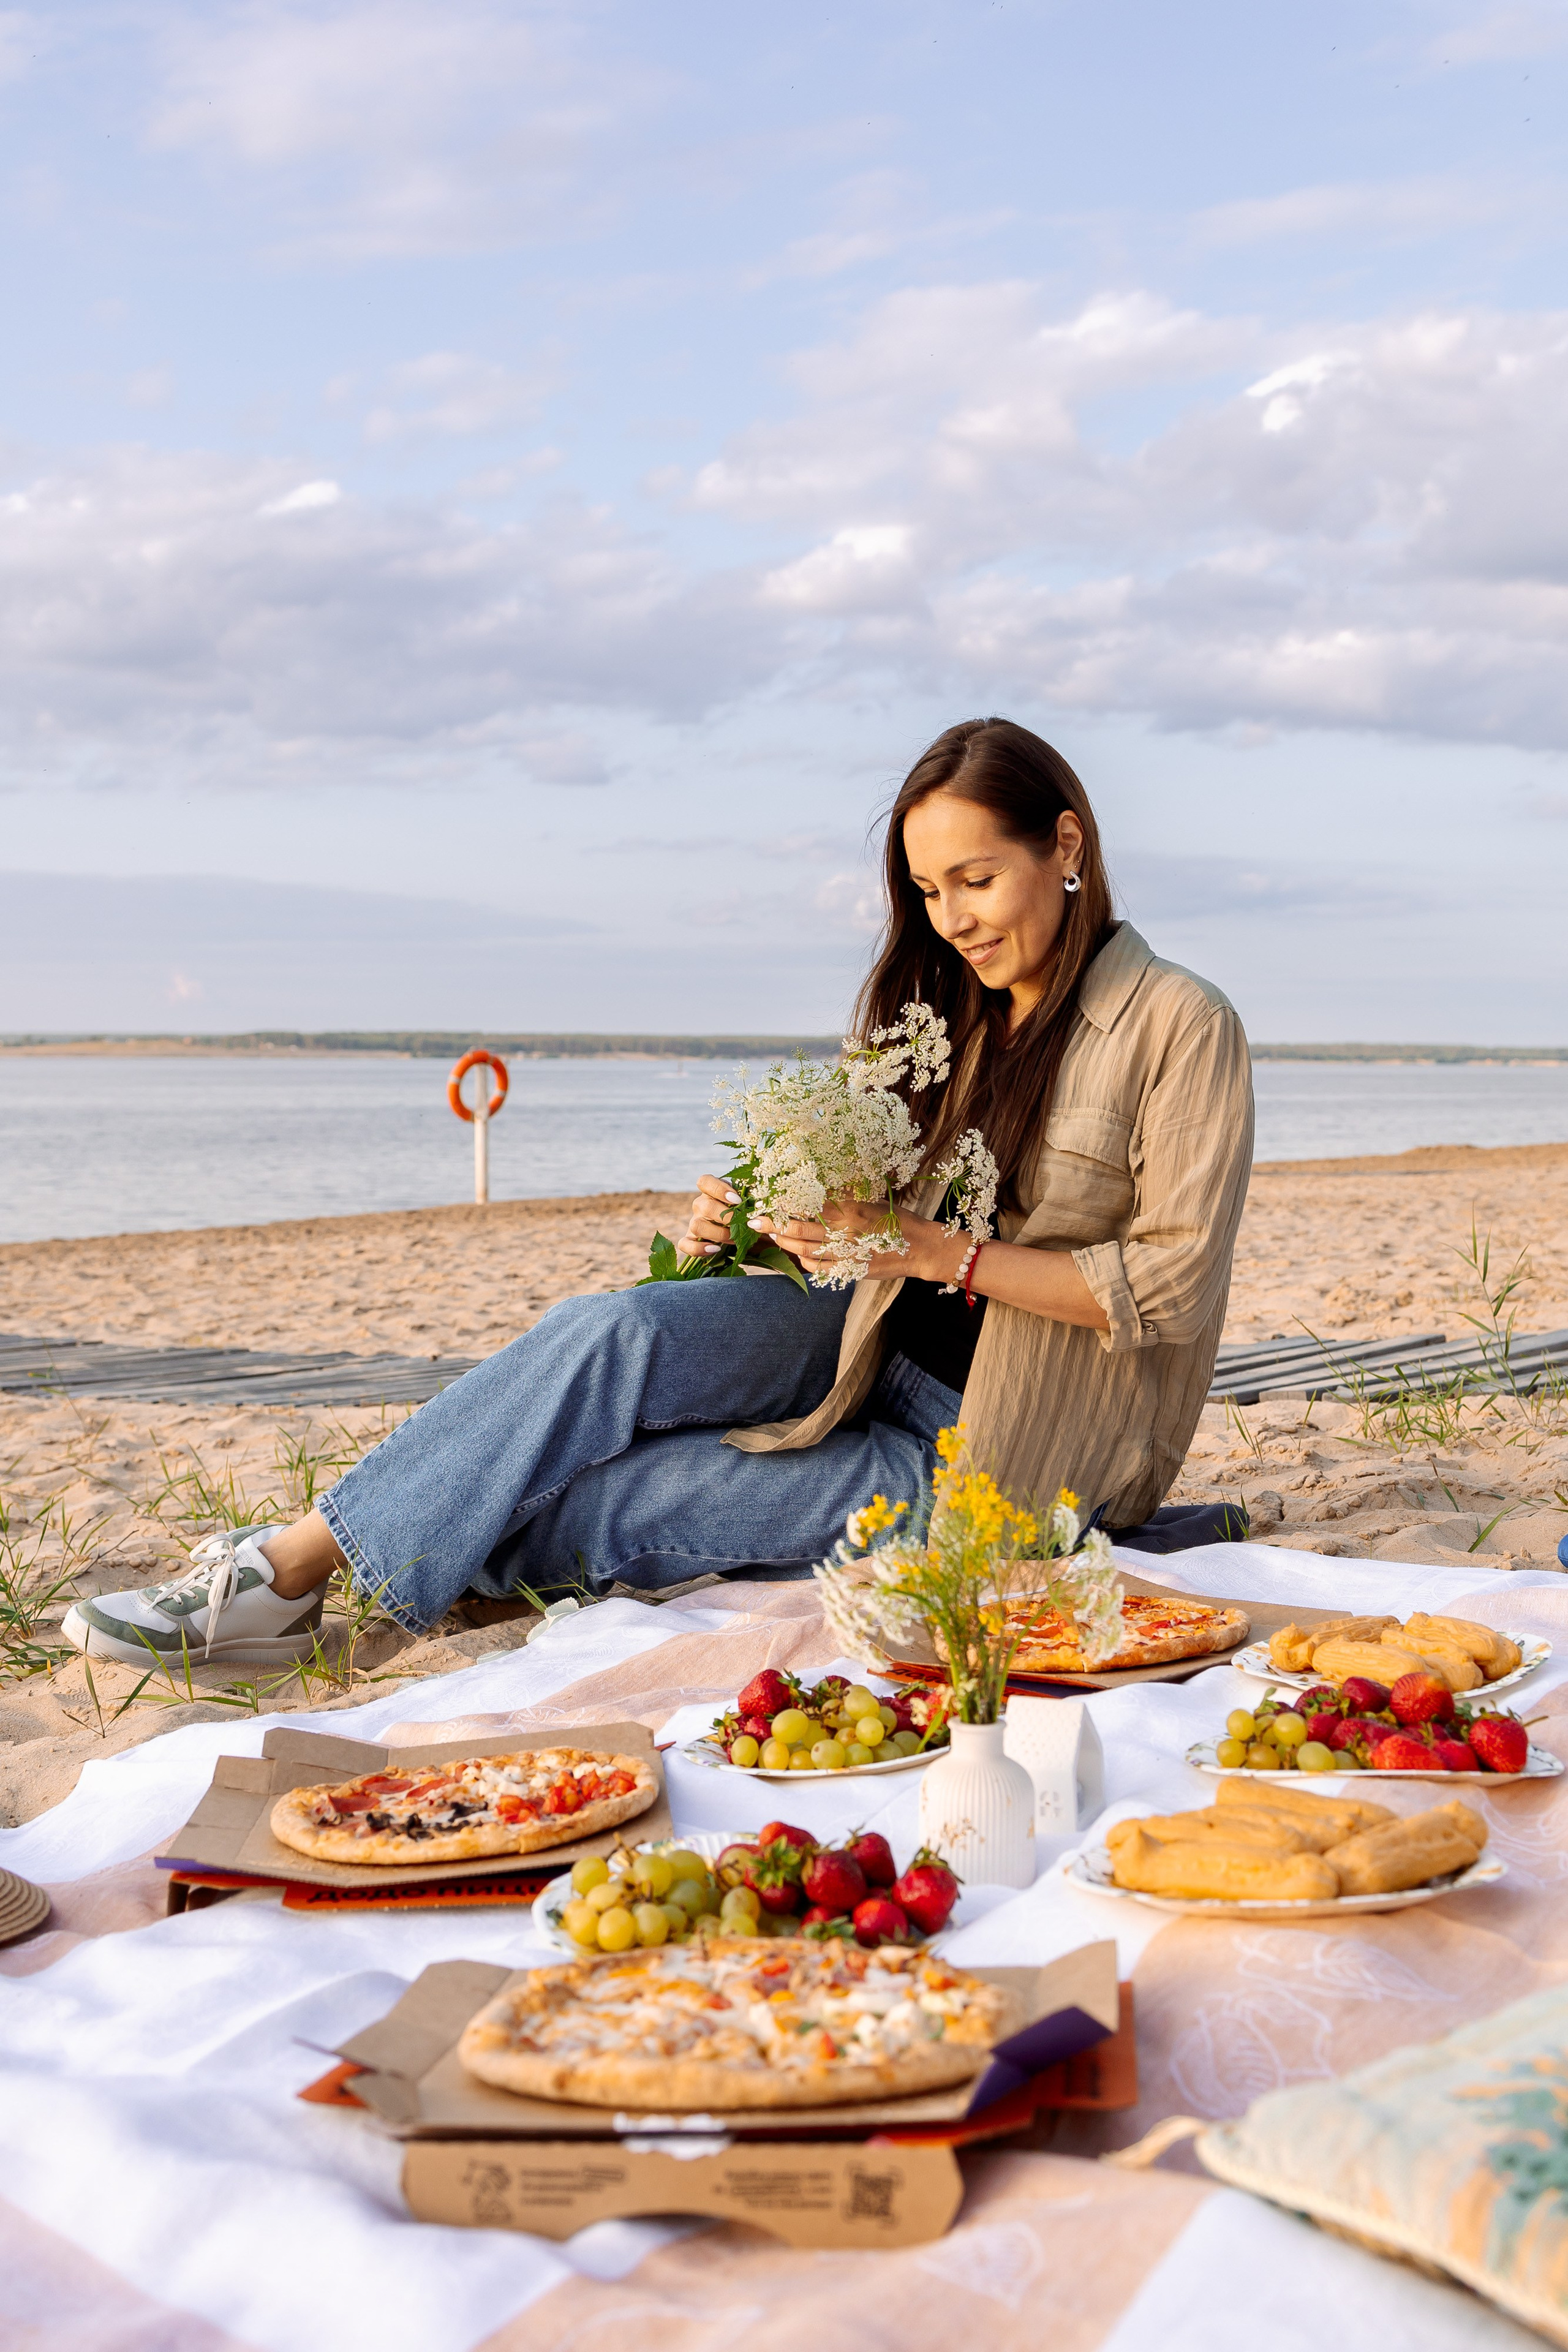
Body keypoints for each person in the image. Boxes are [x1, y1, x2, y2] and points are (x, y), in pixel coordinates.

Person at [64, 717, 1254, 1668]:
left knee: (598, 1510)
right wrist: (760, 1226)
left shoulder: (1178, 1024)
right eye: (927, 892)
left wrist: (926, 1250)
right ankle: (283, 1574)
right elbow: (857, 1244)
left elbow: (1166, 1287)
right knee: (611, 1329)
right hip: (856, 1345)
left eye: (975, 880)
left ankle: (289, 1584)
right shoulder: (941, 1016)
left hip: (1000, 1456)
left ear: (1065, 845)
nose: (949, 921)